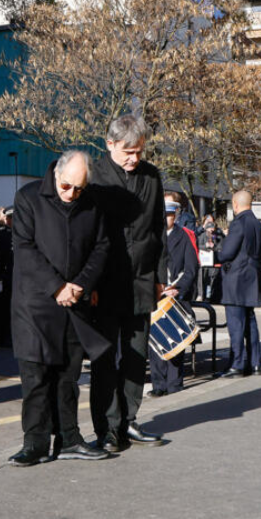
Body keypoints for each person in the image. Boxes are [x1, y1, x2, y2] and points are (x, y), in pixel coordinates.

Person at [7, 151, 112, 466]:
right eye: (67, 187)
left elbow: (101, 246)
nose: (72, 195)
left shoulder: (91, 201)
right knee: (36, 375)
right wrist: (57, 287)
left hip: (74, 302)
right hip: (35, 303)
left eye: (79, 189)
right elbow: (25, 249)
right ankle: (35, 443)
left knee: (69, 375)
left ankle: (69, 438)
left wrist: (81, 284)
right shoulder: (29, 197)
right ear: (56, 176)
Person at [89, 115, 166, 452]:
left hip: (142, 280)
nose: (134, 158)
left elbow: (159, 229)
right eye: (128, 152)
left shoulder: (152, 177)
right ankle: (106, 427)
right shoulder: (95, 176)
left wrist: (161, 277)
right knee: (105, 358)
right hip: (104, 282)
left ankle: (129, 421)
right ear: (109, 145)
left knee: (136, 356)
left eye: (139, 151)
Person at [149, 199, 198, 396]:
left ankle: (174, 383)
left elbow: (191, 268)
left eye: (169, 215)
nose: (166, 219)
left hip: (176, 295)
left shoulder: (184, 236)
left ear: (175, 215)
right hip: (156, 294)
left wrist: (178, 288)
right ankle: (158, 385)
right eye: (163, 215)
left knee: (176, 341)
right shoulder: (151, 237)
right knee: (155, 343)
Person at [217, 190, 261, 377]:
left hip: (236, 279)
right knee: (250, 323)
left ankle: (236, 364)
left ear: (235, 204)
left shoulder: (239, 223)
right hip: (252, 277)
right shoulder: (257, 224)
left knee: (236, 324)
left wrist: (216, 253)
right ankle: (255, 363)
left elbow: (228, 252)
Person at [0, 205, 15, 348]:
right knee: (3, 310)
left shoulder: (21, 233)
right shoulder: (1, 234)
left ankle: (12, 336)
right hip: (5, 276)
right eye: (10, 218)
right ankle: (3, 337)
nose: (12, 221)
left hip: (17, 276)